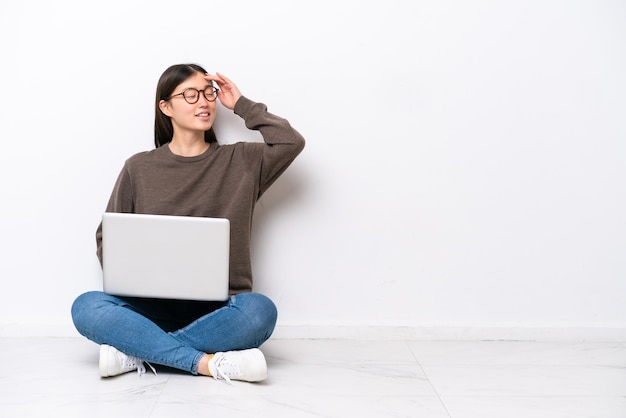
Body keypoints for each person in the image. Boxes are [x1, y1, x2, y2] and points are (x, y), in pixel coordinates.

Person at [71, 63, 305, 382]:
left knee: (260, 311)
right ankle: (205, 363)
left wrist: (241, 104)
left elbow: (290, 142)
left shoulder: (243, 162)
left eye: (209, 93)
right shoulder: (138, 168)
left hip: (219, 310)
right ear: (165, 107)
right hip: (147, 309)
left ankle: (136, 352)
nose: (204, 101)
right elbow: (107, 239)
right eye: (191, 94)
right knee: (86, 307)